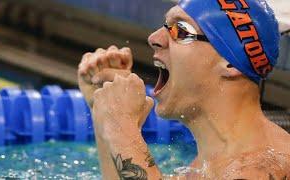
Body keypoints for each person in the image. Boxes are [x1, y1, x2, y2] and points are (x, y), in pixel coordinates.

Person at [77, 0, 290, 179]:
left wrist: (122, 129)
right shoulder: (202, 168)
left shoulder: (264, 168)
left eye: (180, 30)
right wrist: (103, 111)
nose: (154, 38)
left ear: (231, 63)